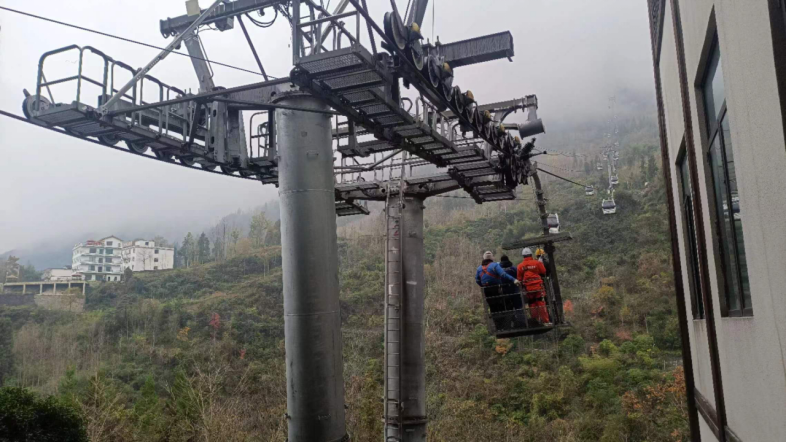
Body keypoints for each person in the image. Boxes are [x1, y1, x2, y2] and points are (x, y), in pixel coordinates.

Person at [476, 251, 520, 331]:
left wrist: (483, 286)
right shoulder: (495, 265)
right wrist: (514, 280)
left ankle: (498, 327)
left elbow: (477, 280)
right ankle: (506, 326)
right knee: (502, 306)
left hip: (487, 291)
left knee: (493, 309)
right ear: (492, 258)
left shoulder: (479, 268)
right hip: (497, 289)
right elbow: (503, 274)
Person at [517, 247, 552, 326]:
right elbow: (543, 271)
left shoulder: (520, 266)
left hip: (528, 288)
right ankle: (545, 321)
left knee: (532, 304)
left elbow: (519, 278)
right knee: (541, 303)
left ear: (523, 256)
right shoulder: (537, 263)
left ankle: (536, 321)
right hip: (538, 287)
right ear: (530, 254)